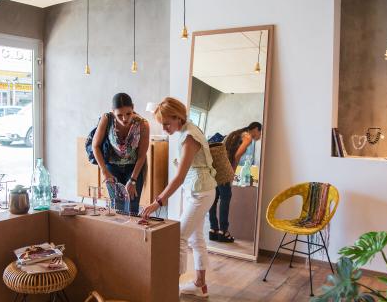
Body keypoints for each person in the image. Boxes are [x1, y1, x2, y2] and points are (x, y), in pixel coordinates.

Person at [141, 97, 217, 298]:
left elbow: (180, 177)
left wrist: (157, 201)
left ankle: (170, 288)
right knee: (196, 238)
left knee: (179, 238)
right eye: (162, 124)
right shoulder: (188, 130)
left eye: (167, 124)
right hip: (201, 190)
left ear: (178, 117)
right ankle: (200, 285)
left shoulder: (189, 137)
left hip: (201, 192)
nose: (165, 129)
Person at [92, 93, 150, 214]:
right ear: (113, 112)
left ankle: (133, 232)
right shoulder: (106, 119)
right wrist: (105, 172)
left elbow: (142, 155)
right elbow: (95, 146)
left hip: (134, 168)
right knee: (117, 207)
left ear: (133, 108)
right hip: (112, 167)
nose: (125, 119)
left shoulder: (142, 124)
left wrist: (133, 180)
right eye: (119, 115)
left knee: (132, 207)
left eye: (128, 113)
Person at [209, 122, 262, 243]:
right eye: (260, 132)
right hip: (224, 170)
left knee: (214, 198)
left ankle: (213, 229)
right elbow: (237, 156)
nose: (260, 135)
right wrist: (232, 172)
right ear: (256, 129)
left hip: (216, 168)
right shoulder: (247, 137)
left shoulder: (235, 133)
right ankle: (223, 231)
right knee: (225, 199)